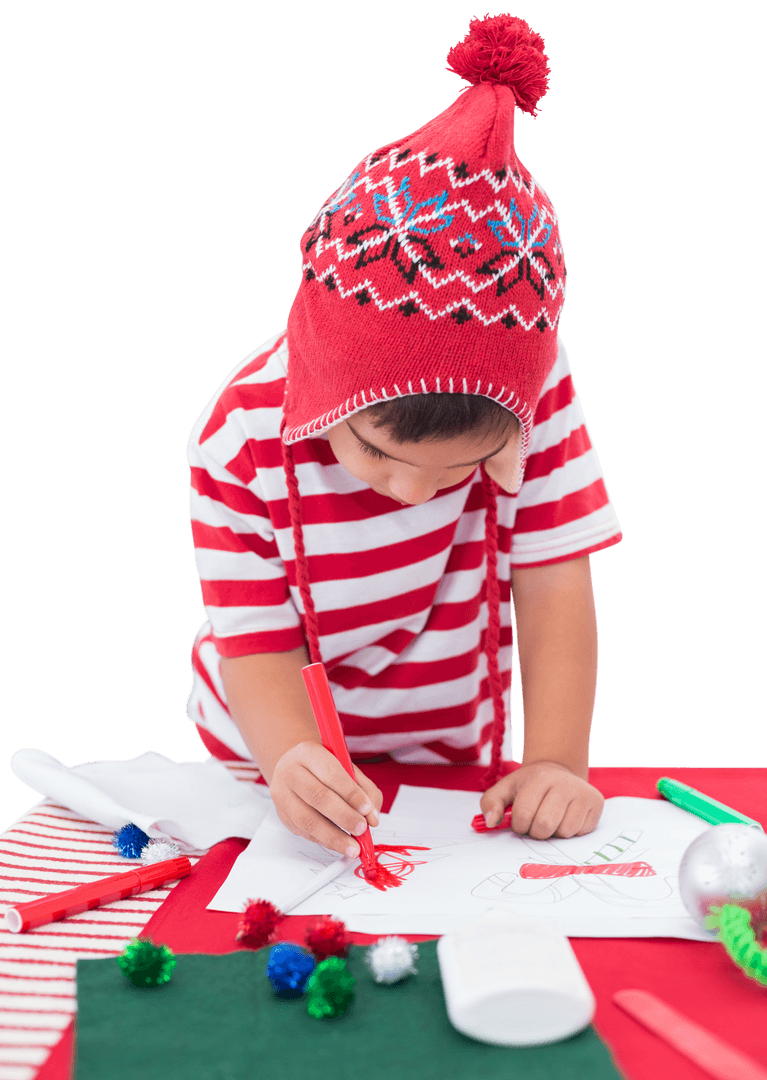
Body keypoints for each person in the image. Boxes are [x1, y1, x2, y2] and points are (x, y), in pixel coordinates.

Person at [186, 14, 622, 862]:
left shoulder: (541, 391)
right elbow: (255, 641)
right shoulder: (236, 433)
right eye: (379, 456)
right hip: (265, 762)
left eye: (460, 470)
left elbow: (554, 581)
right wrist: (289, 763)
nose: (414, 494)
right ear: (319, 378)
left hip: (453, 754)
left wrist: (558, 764)